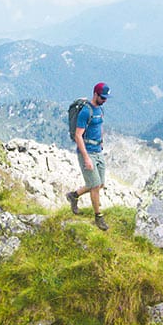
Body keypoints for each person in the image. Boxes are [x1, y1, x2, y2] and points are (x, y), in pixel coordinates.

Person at [66, 82, 110, 230]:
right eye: (102, 97)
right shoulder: (86, 111)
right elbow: (78, 136)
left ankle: (74, 195)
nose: (105, 100)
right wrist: (86, 158)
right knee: (95, 186)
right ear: (95, 94)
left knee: (100, 183)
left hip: (98, 150)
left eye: (106, 98)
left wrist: (101, 140)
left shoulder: (100, 110)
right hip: (88, 152)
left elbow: (99, 125)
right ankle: (98, 217)